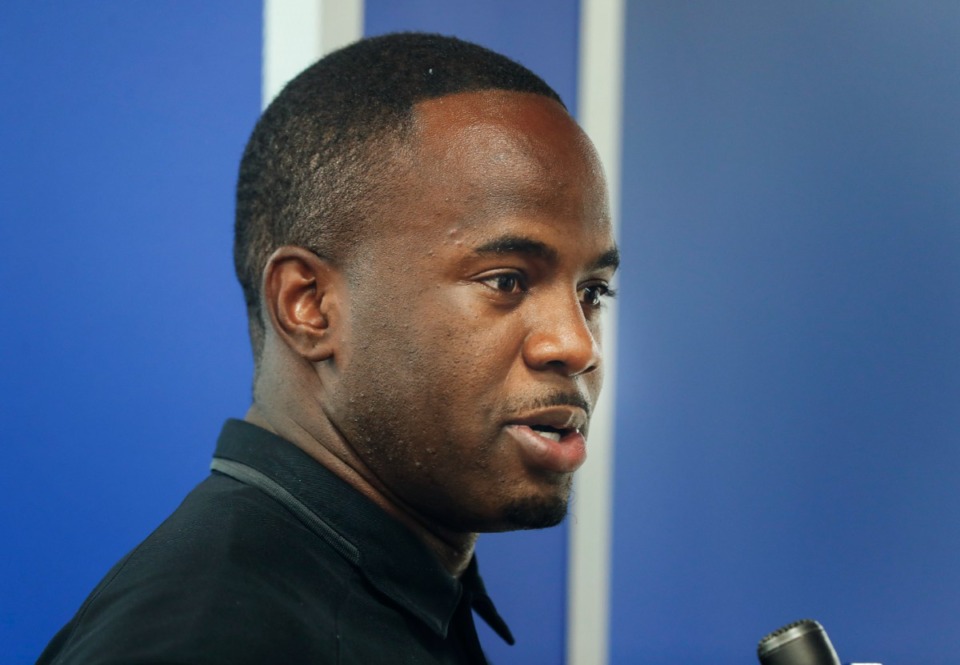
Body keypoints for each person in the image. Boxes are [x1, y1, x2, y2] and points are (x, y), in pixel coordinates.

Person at [38, 32, 619, 664]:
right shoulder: (216, 639)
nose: (576, 343)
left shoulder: (374, 592)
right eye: (505, 281)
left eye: (593, 291)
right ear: (308, 305)